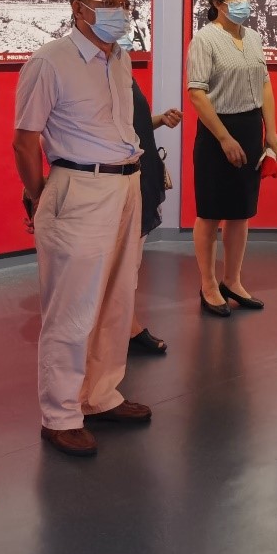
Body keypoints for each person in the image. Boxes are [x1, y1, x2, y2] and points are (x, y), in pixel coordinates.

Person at [13, 0, 151, 458]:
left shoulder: (120, 58)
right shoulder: (50, 62)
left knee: (117, 298)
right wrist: (39, 196)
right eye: (108, 3)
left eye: (124, 3)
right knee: (71, 309)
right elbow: (25, 141)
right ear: (79, 8)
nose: (121, 12)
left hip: (125, 184)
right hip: (78, 185)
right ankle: (60, 415)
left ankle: (100, 394)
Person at [186, 0, 277, 316]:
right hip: (217, 132)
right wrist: (224, 138)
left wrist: (271, 132)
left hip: (250, 127)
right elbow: (197, 93)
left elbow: (265, 85)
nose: (244, 1)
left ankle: (233, 281)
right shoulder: (204, 39)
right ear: (217, 2)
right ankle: (208, 284)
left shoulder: (254, 37)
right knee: (211, 212)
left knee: (241, 212)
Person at [127, 82, 182, 356]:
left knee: (130, 261)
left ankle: (126, 325)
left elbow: (133, 125)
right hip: (121, 180)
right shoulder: (95, 74)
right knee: (124, 262)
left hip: (138, 175)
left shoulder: (119, 70)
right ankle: (125, 327)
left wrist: (159, 119)